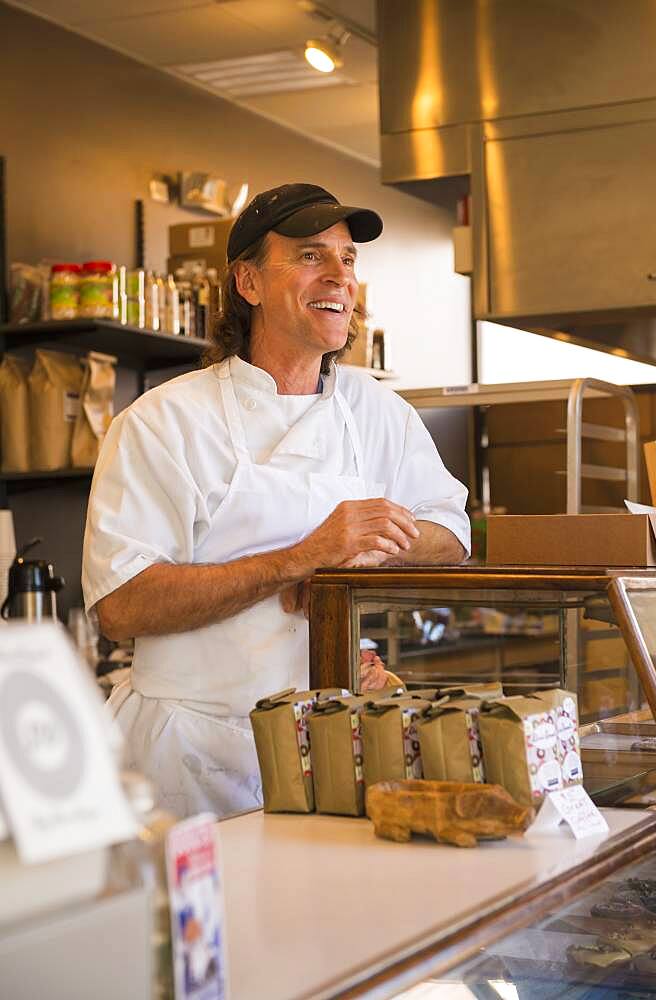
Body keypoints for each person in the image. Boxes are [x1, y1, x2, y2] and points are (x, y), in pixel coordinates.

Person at [82, 182, 470, 819]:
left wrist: (362, 559)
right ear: (249, 282)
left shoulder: (378, 412)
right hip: (193, 762)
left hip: (337, 744)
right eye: (311, 256)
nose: (339, 277)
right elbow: (122, 607)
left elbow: (452, 534)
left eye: (348, 259)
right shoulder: (164, 423)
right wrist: (301, 559)